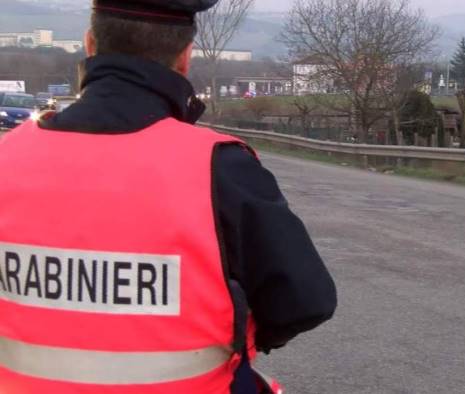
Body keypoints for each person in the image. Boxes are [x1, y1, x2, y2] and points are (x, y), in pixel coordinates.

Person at [0, 1, 337, 392]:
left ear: (90, 44)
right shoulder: (221, 168)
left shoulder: (7, 158)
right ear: (185, 58)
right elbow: (304, 301)